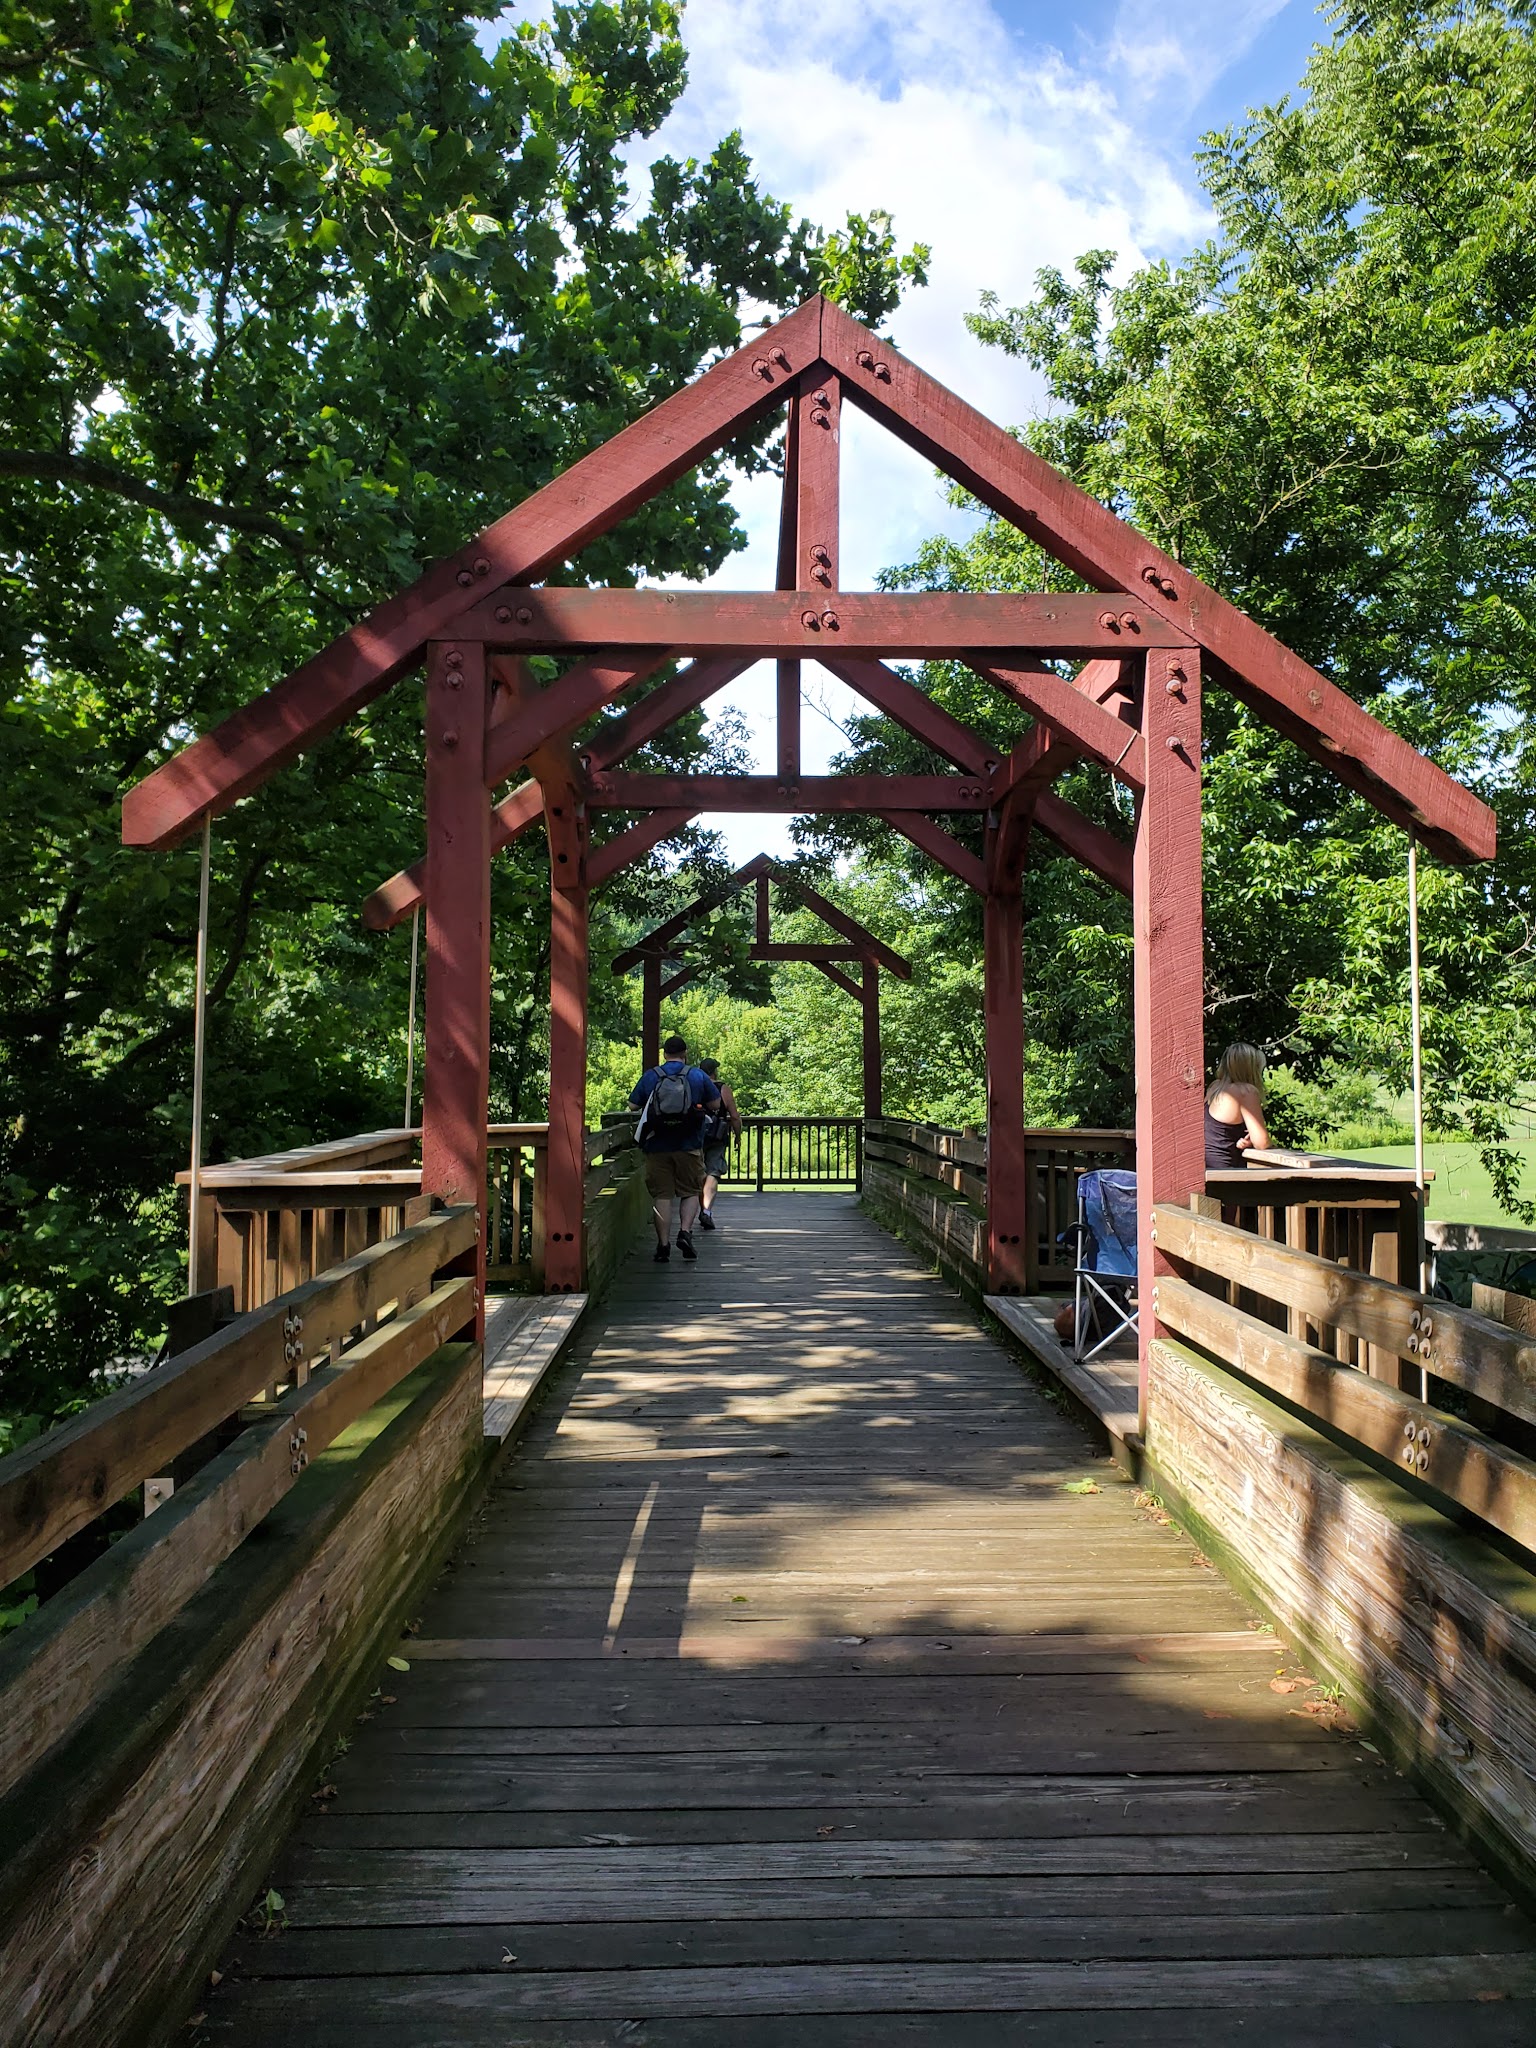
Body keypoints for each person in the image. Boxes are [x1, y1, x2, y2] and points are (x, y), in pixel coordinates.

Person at [630, 1034, 721, 1263]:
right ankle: (685, 1232)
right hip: (689, 1145)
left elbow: (632, 1104)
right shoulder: (697, 1075)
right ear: (685, 1054)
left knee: (662, 1195)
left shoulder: (652, 1076)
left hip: (657, 1145)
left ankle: (663, 1246)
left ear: (664, 1054)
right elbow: (716, 1104)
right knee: (690, 1191)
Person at [1205, 1042, 1272, 1170]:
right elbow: (1262, 1143)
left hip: (1205, 1166)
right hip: (1223, 1170)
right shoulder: (1246, 1091)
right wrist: (1255, 1140)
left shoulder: (1215, 1087)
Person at [695, 1057, 743, 1231]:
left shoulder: (695, 1086)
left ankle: (697, 1211)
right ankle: (706, 1211)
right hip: (717, 1135)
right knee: (713, 1172)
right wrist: (738, 1136)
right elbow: (735, 1117)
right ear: (714, 1071)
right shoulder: (723, 1088)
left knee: (698, 1173)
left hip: (695, 1135)